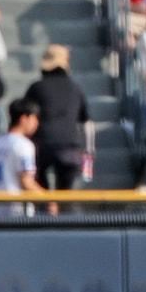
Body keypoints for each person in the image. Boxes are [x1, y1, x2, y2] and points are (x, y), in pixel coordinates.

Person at [23, 44, 94, 207]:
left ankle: (47, 210)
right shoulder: (76, 88)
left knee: (40, 188)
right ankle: (62, 217)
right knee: (65, 194)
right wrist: (88, 153)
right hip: (70, 147)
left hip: (42, 147)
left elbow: (25, 115)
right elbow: (86, 122)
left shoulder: (36, 88)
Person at [0, 98, 40, 215]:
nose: (36, 123)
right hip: (17, 211)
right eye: (34, 118)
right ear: (24, 118)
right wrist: (50, 199)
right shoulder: (23, 145)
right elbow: (26, 182)